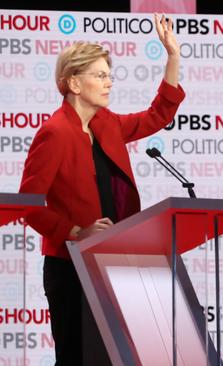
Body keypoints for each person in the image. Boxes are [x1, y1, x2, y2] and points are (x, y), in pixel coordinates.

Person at [19, 14, 184, 365]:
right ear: (73, 84)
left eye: (109, 75)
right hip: (71, 266)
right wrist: (76, 231)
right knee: (77, 356)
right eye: (100, 75)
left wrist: (172, 57)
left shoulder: (106, 123)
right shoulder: (54, 132)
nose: (109, 83)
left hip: (114, 260)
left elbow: (157, 115)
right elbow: (30, 204)